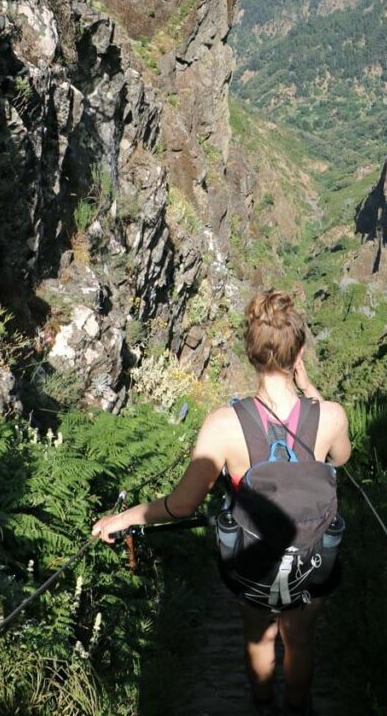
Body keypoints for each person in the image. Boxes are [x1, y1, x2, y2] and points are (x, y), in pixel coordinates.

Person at [92, 289, 351, 716]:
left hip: (252, 565)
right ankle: (299, 707)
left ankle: (263, 703)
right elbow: (340, 458)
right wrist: (310, 390)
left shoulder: (223, 424)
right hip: (313, 560)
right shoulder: (332, 415)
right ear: (299, 353)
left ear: (250, 354)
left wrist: (124, 517)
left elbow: (181, 506)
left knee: (259, 638)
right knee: (301, 639)